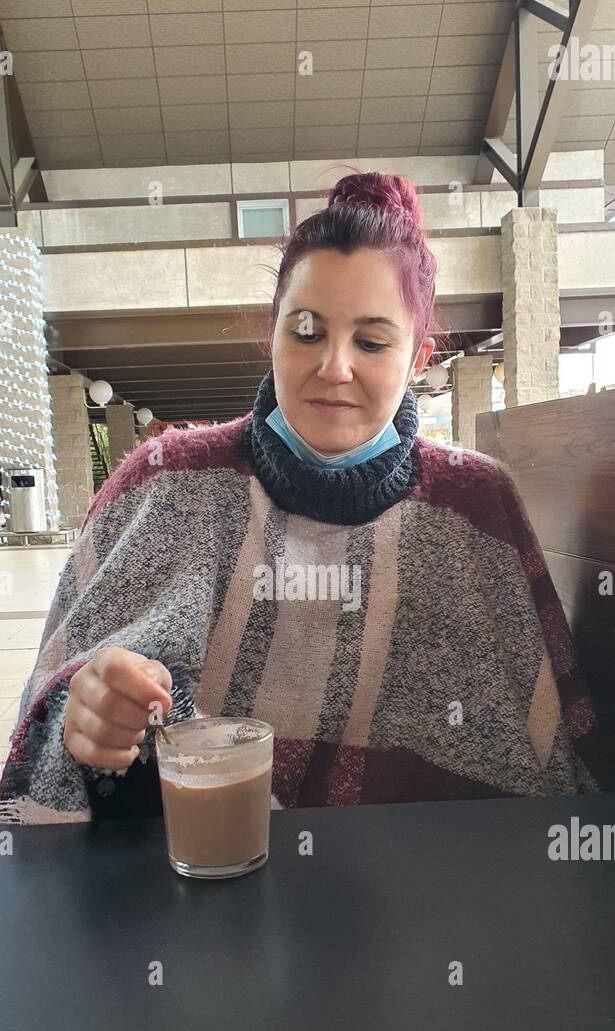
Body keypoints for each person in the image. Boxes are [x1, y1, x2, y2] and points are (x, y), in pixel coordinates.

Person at [0, 172, 611, 823]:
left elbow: (536, 757)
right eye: (306, 331)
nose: (334, 366)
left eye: (371, 342)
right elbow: (55, 735)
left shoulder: (475, 501)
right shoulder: (162, 479)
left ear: (417, 359)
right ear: (272, 333)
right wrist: (87, 721)